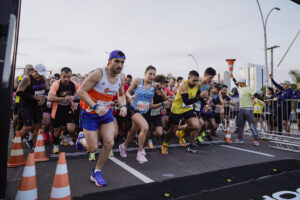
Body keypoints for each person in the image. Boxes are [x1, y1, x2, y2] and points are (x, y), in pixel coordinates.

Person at [76, 50, 127, 186]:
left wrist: (123, 106)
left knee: (109, 143)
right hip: (90, 113)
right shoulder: (99, 73)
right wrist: (95, 106)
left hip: (106, 113)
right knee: (92, 148)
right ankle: (81, 139)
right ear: (109, 61)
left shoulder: (121, 78)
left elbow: (121, 95)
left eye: (122, 62)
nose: (120, 65)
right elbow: (80, 91)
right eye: (116, 61)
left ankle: (96, 172)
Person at [161, 70, 208, 154]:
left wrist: (205, 104)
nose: (195, 82)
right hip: (177, 108)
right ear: (189, 78)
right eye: (194, 80)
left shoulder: (198, 85)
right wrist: (199, 97)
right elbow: (186, 101)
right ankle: (165, 144)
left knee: (196, 125)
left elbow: (198, 96)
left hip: (187, 108)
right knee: (172, 130)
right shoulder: (183, 85)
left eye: (197, 80)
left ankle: (186, 139)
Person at [119, 65, 157, 164]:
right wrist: (130, 97)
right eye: (150, 74)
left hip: (144, 112)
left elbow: (154, 99)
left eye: (154, 74)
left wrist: (160, 90)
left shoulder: (154, 86)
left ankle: (124, 146)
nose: (152, 76)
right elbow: (127, 92)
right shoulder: (137, 81)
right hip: (133, 109)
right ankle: (140, 152)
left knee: (133, 131)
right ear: (145, 73)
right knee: (145, 127)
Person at [16, 64, 49, 148]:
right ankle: (17, 144)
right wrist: (33, 97)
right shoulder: (27, 79)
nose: (40, 76)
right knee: (27, 126)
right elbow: (19, 92)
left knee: (38, 126)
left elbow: (47, 90)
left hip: (38, 106)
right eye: (38, 73)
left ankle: (34, 145)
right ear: (34, 71)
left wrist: (44, 98)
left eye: (42, 74)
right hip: (27, 105)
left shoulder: (43, 78)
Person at [48, 67, 79, 153]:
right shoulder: (56, 84)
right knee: (57, 131)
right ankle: (56, 145)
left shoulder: (74, 84)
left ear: (71, 76)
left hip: (69, 109)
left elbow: (82, 95)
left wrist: (74, 97)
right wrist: (64, 99)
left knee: (71, 129)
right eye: (64, 76)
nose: (66, 79)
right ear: (61, 76)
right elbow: (50, 97)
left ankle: (66, 135)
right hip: (57, 110)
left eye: (68, 77)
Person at [231, 77, 262, 146]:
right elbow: (236, 83)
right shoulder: (240, 88)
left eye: (239, 83)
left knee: (251, 125)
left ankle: (256, 140)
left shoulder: (249, 89)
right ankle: (240, 139)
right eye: (238, 83)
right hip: (241, 109)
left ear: (243, 83)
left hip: (248, 109)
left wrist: (263, 100)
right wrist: (233, 77)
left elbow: (256, 95)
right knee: (240, 124)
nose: (238, 84)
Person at [13, 64, 33, 132]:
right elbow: (15, 87)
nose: (30, 71)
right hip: (18, 100)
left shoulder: (31, 78)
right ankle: (14, 132)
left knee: (22, 120)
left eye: (31, 70)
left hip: (26, 101)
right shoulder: (18, 77)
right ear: (24, 69)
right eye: (28, 69)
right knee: (16, 118)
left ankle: (19, 134)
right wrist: (24, 81)